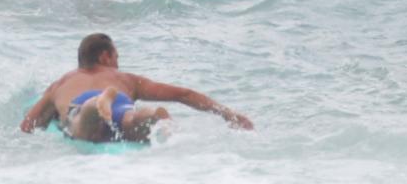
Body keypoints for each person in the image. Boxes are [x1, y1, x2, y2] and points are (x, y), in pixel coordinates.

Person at [20, 33, 253, 143]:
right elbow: (184, 95)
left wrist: (50, 119)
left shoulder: (60, 84)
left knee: (82, 121)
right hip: (121, 103)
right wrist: (229, 114)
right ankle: (151, 115)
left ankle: (97, 104)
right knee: (133, 119)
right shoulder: (126, 79)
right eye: (116, 57)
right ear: (105, 56)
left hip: (82, 104)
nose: (118, 63)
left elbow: (27, 125)